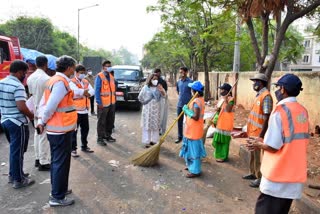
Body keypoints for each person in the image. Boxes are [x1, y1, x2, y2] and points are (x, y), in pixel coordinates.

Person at [246, 74, 309, 214]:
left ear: (282, 89)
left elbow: (274, 146)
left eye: (277, 87)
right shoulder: (303, 111)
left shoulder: (280, 111)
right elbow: (290, 140)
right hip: (294, 175)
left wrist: (258, 144)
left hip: (277, 176)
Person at [37, 55, 77, 206]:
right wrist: (42, 121)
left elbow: (43, 103)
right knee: (61, 163)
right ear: (68, 68)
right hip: (60, 131)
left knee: (57, 162)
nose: (74, 70)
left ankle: (59, 189)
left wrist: (41, 121)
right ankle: (57, 197)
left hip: (57, 130)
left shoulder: (53, 80)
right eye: (73, 67)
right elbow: (50, 106)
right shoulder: (60, 82)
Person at [0, 60, 35, 189]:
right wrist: (32, 116)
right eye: (24, 73)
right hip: (17, 122)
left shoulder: (1, 82)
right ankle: (19, 180)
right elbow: (21, 107)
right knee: (18, 151)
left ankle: (13, 174)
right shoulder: (18, 86)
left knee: (14, 150)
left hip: (5, 120)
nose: (25, 76)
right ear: (20, 72)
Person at [242, 73, 273, 188]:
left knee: (258, 156)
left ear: (260, 83)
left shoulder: (266, 96)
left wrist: (261, 135)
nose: (254, 84)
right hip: (252, 131)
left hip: (258, 133)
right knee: (252, 154)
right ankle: (253, 173)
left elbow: (266, 117)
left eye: (255, 82)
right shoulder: (259, 95)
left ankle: (260, 177)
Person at [27, 55, 51, 171]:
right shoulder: (47, 79)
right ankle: (44, 161)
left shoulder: (30, 78)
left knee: (37, 134)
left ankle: (37, 158)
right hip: (44, 110)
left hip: (35, 110)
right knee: (44, 136)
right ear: (46, 64)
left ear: (36, 64)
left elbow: (31, 95)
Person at [179, 81, 206, 178]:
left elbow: (195, 116)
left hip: (194, 131)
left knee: (194, 151)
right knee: (189, 150)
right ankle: (191, 166)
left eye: (192, 89)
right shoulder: (197, 100)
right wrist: (186, 111)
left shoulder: (196, 102)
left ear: (195, 91)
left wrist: (186, 110)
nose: (190, 90)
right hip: (191, 129)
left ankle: (195, 171)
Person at [69, 64, 94, 157]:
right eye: (81, 73)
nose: (83, 74)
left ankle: (84, 146)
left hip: (84, 110)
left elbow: (92, 91)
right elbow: (75, 93)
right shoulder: (72, 82)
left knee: (85, 129)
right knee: (74, 131)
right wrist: (84, 92)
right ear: (76, 73)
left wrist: (85, 93)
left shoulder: (85, 81)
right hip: (75, 110)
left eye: (84, 73)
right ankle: (73, 149)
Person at [138, 73, 166, 148]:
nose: (155, 80)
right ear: (150, 79)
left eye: (156, 79)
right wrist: (144, 103)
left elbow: (164, 96)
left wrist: (161, 90)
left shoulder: (159, 87)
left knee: (155, 125)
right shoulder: (145, 87)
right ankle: (146, 141)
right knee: (147, 124)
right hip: (147, 109)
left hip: (156, 110)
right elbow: (140, 97)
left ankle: (154, 141)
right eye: (153, 79)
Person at [95, 60, 116, 145]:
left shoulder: (111, 76)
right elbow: (97, 90)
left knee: (110, 121)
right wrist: (99, 102)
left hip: (112, 103)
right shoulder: (99, 76)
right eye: (107, 66)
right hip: (103, 104)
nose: (109, 67)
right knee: (101, 122)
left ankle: (108, 135)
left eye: (110, 66)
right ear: (103, 67)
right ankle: (100, 138)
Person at [212, 83, 234, 162]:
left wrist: (226, 100)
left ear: (227, 91)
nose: (220, 91)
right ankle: (218, 154)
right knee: (218, 140)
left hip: (226, 123)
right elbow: (218, 110)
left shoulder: (231, 99)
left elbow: (228, 109)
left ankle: (223, 156)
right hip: (219, 121)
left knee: (224, 141)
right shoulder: (221, 98)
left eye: (222, 89)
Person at [175, 67, 193, 143]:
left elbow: (193, 92)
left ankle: (189, 136)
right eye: (180, 72)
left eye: (182, 72)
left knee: (189, 121)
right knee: (179, 121)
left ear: (186, 72)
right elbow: (178, 91)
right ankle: (180, 137)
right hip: (180, 105)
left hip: (188, 105)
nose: (181, 73)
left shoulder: (190, 82)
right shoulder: (178, 82)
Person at [153, 68, 168, 135]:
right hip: (156, 101)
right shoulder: (152, 81)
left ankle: (161, 129)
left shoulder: (162, 82)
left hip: (161, 100)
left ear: (159, 73)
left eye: (157, 73)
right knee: (158, 116)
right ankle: (158, 129)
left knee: (161, 116)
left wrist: (162, 92)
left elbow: (165, 92)